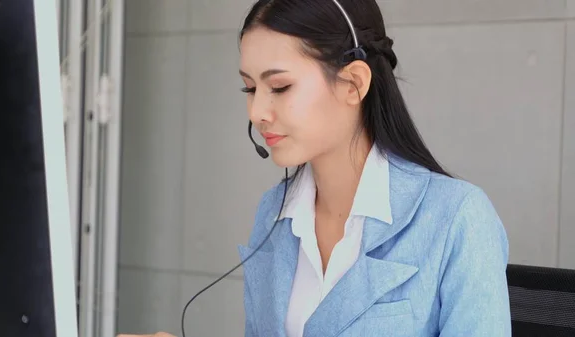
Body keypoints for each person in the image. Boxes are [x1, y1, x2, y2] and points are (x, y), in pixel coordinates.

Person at [119, 0, 512, 336]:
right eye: (250, 88)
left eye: (279, 87)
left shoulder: (458, 218)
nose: (257, 112)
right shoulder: (274, 214)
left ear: (353, 84)